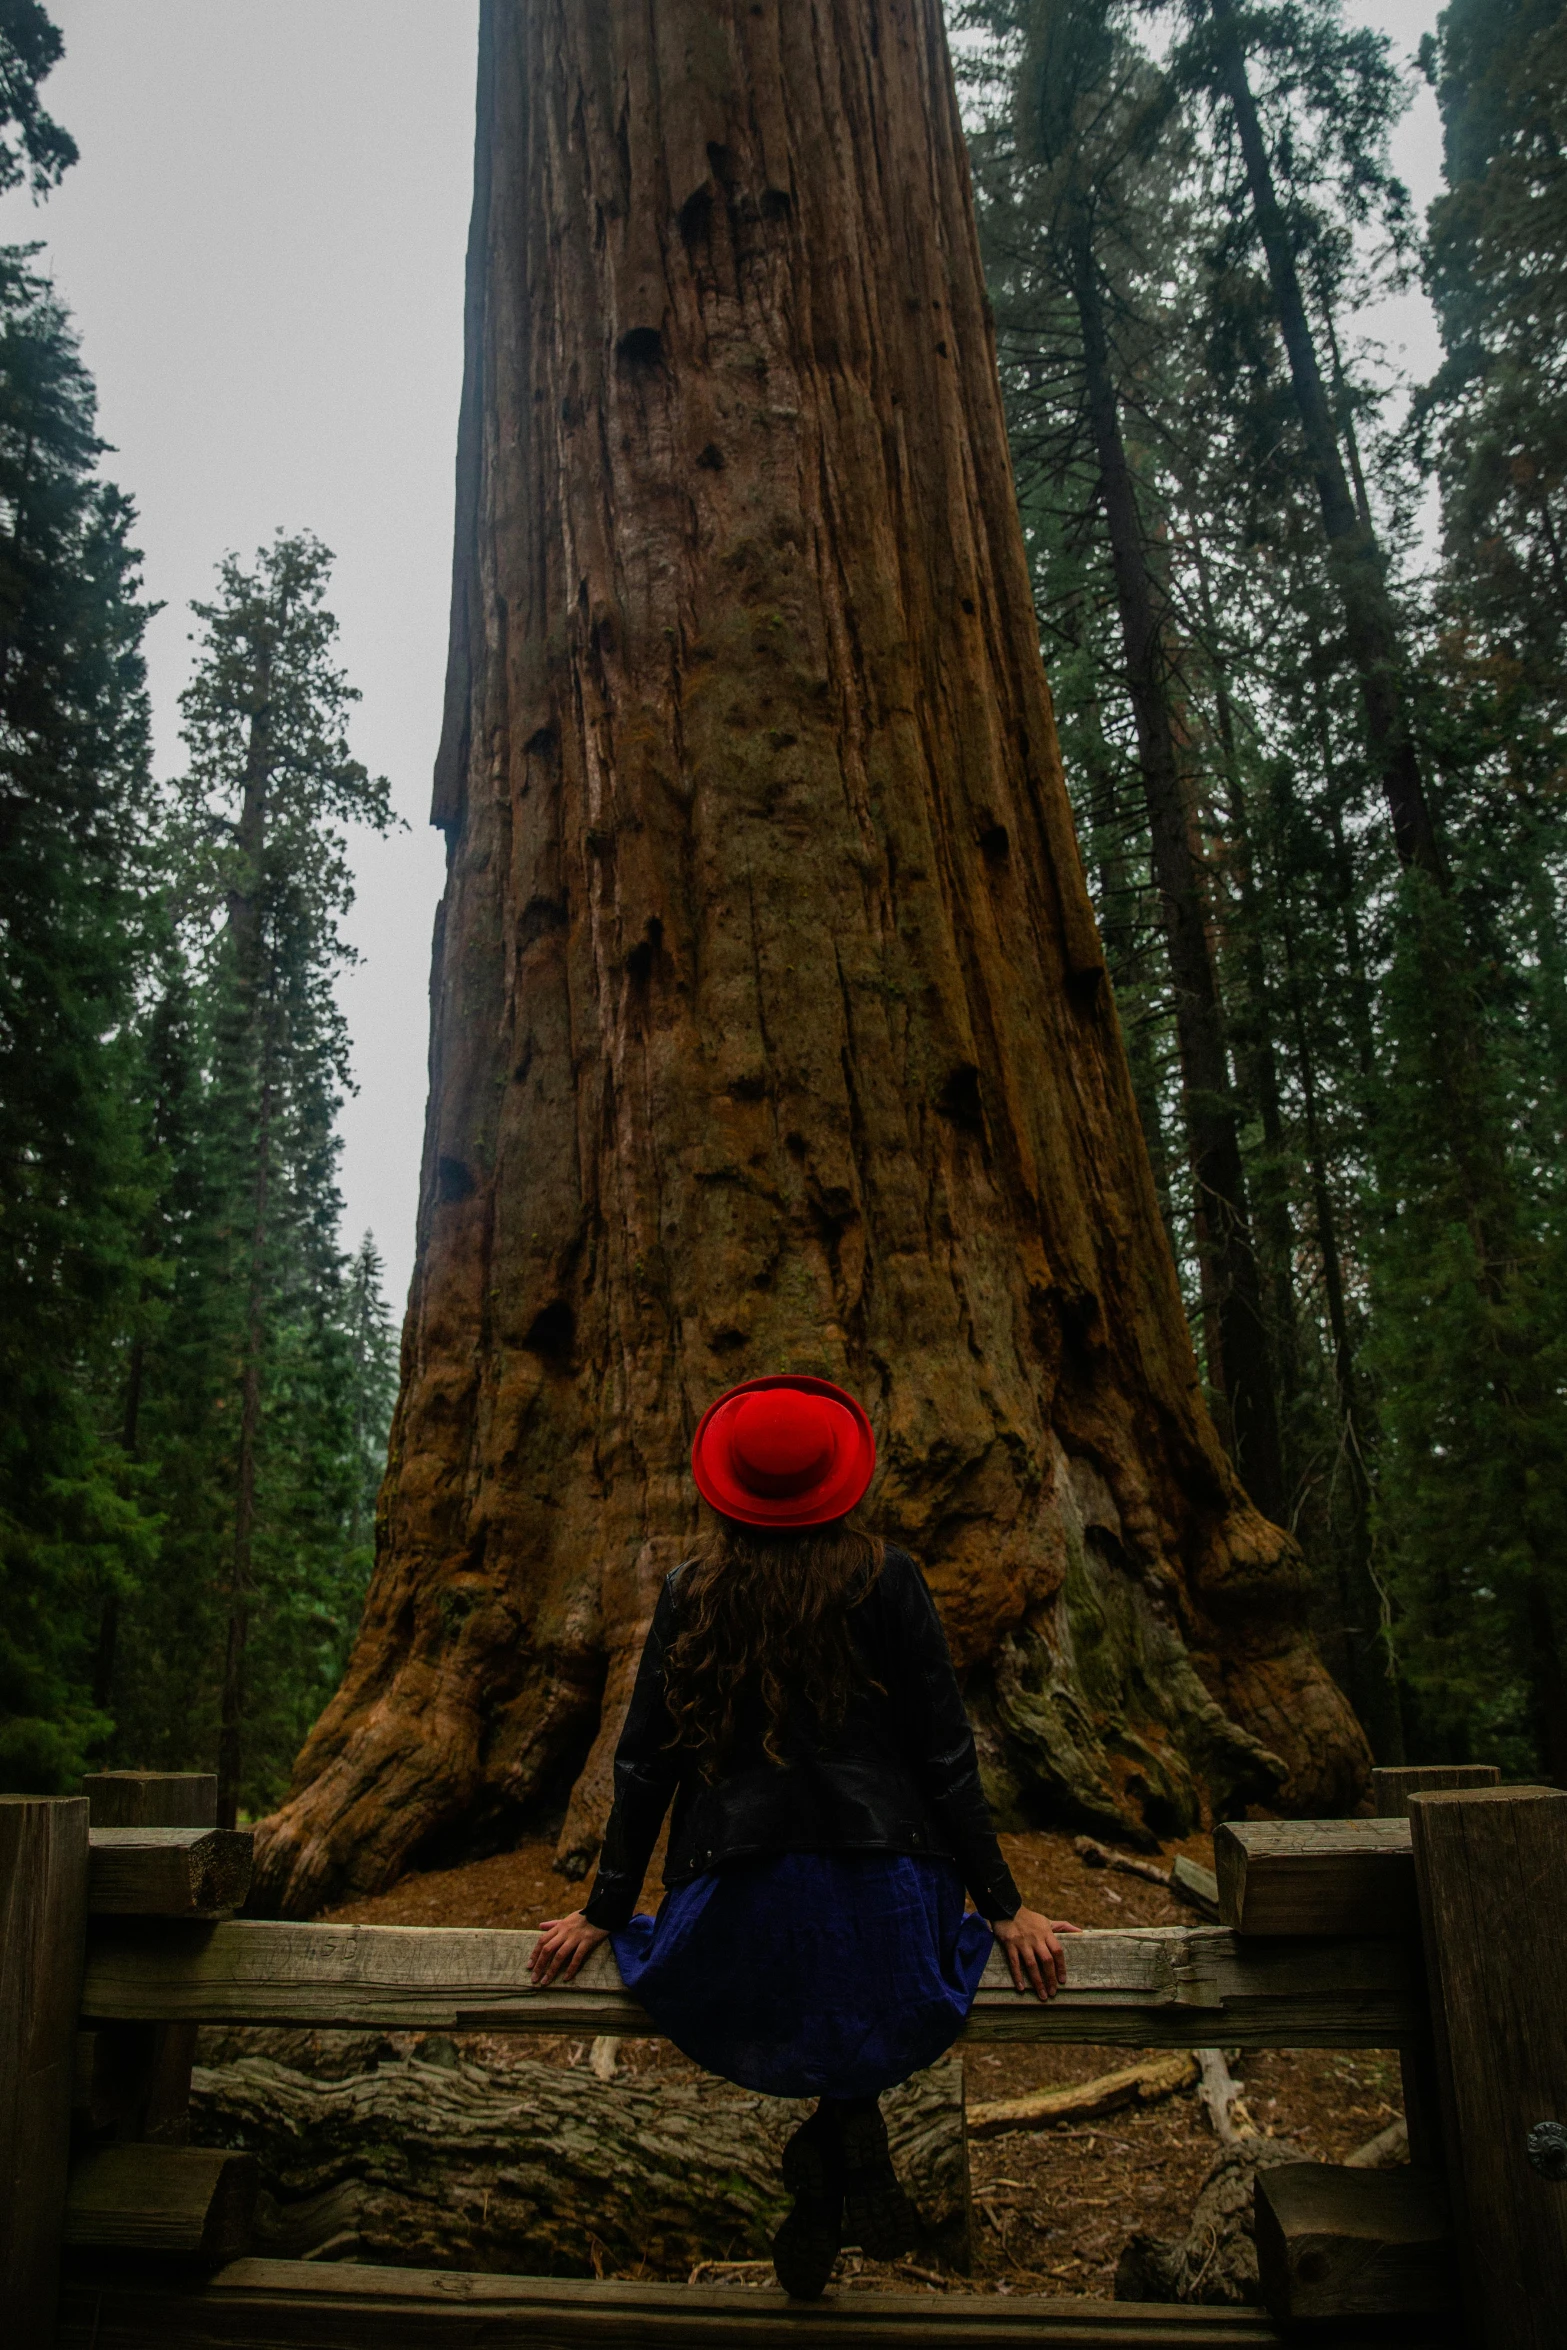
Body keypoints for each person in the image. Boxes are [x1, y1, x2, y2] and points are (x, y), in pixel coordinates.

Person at [529, 1372, 1079, 2298]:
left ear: (728, 1486)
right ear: (839, 1478)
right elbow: (947, 1758)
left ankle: (836, 2150)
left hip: (736, 1904)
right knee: (863, 1942)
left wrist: (604, 1908)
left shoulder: (690, 1590)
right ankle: (845, 2142)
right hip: (895, 1894)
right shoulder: (888, 1578)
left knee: (792, 1937)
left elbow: (643, 1763)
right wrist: (1004, 1908)